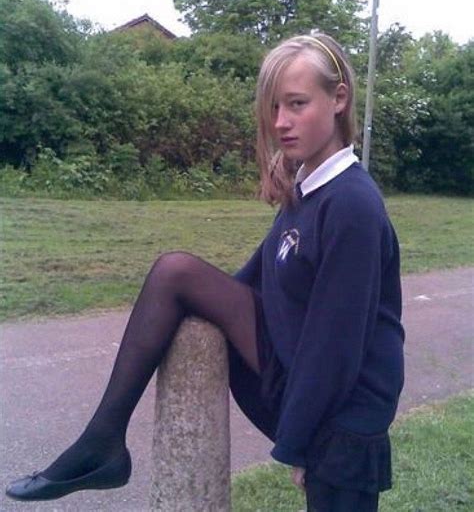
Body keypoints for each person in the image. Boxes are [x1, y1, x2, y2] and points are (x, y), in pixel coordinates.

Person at [6, 33, 404, 512]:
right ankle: (101, 444)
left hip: (343, 418)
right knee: (176, 274)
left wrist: (301, 443)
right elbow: (254, 280)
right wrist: (197, 307)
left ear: (339, 99)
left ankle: (100, 447)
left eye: (297, 104)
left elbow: (335, 346)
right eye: (274, 107)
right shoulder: (308, 189)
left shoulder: (351, 204)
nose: (281, 122)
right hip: (301, 375)